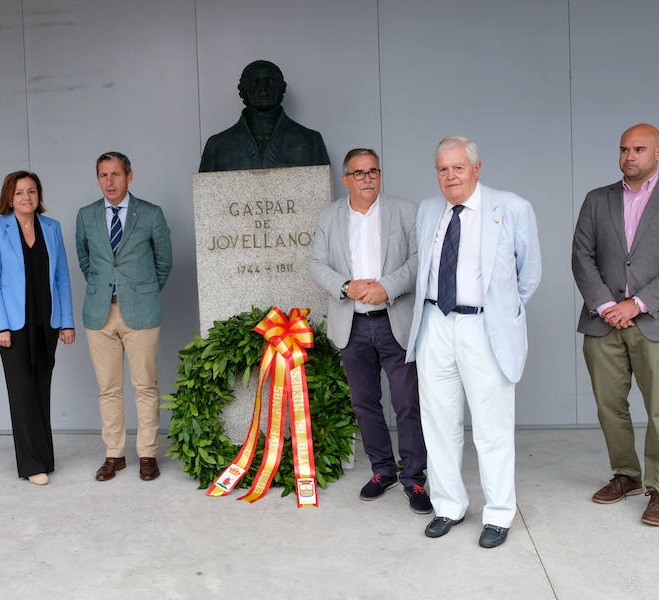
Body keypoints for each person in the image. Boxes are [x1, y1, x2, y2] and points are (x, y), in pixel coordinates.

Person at [406, 137, 541, 548]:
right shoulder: (429, 209)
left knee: (491, 426)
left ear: (476, 168)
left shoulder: (511, 207)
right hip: (434, 322)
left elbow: (529, 273)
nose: (450, 176)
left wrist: (500, 314)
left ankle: (499, 513)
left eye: (458, 167)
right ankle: (448, 506)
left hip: (483, 326)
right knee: (439, 422)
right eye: (442, 169)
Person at [572, 123, 659, 526]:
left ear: (658, 153)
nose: (630, 156)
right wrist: (608, 304)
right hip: (603, 321)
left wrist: (636, 304)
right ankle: (626, 476)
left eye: (640, 149)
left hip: (657, 322)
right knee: (610, 406)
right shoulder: (597, 199)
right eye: (624, 149)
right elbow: (581, 256)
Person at [309, 148, 430, 514]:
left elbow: (419, 259)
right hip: (353, 325)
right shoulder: (330, 217)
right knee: (364, 403)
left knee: (408, 403)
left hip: (396, 322)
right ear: (346, 179)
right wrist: (346, 286)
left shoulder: (406, 211)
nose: (367, 178)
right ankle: (382, 471)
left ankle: (414, 477)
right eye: (359, 173)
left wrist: (387, 286)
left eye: (373, 171)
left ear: (380, 175)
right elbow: (315, 263)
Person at [75, 152, 172, 482]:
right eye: (103, 175)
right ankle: (114, 455)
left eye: (115, 174)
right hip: (99, 313)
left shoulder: (151, 214)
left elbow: (164, 263)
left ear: (129, 176)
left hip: (141, 312)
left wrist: (141, 292)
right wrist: (106, 290)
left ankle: (147, 453)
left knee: (145, 385)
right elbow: (86, 261)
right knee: (108, 388)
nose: (109, 181)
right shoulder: (86, 216)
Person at [0, 171, 76, 486]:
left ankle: (45, 459)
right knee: (21, 393)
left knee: (40, 389)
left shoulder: (52, 228)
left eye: (32, 191)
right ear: (10, 197)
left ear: (39, 196)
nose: (27, 198)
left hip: (46, 323)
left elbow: (62, 277)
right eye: (20, 192)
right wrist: (0, 325)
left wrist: (67, 322)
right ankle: (32, 464)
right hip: (13, 326)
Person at [198, 60, 330, 172]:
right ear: (243, 90)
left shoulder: (311, 142)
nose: (263, 88)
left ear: (281, 88)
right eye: (255, 82)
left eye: (270, 81)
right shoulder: (217, 146)